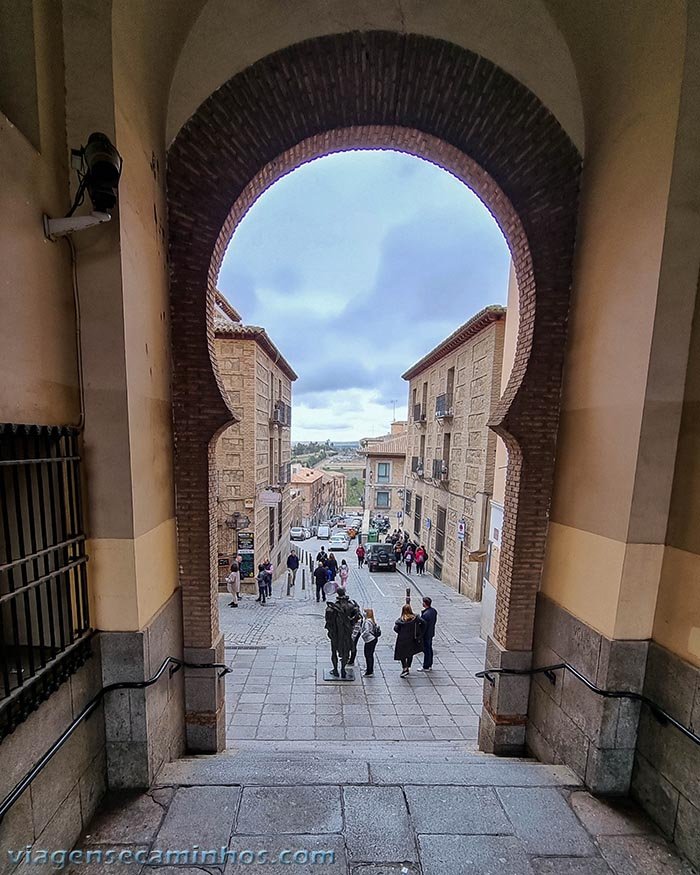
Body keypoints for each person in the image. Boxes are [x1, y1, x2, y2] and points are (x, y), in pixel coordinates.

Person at [324, 587, 362, 678]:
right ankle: (343, 670)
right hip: (347, 632)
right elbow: (357, 618)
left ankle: (336, 670)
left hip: (336, 633)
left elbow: (328, 622)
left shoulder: (332, 608)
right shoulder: (351, 606)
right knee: (346, 651)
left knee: (334, 651)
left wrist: (330, 630)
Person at [393, 603, 424, 677]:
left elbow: (396, 629)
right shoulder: (415, 618)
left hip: (402, 639)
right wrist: (419, 632)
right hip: (411, 639)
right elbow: (424, 623)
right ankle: (408, 666)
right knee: (410, 653)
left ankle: (405, 668)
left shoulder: (401, 620)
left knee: (402, 654)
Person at [418, 596, 438, 671]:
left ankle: (426, 666)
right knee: (429, 649)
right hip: (431, 633)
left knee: (426, 650)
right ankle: (430, 664)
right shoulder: (433, 611)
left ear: (425, 603)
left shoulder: (426, 615)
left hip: (426, 634)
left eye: (423, 602)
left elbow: (423, 626)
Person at [360, 607, 380, 676]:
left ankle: (369, 671)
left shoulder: (367, 621)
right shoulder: (372, 620)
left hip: (369, 640)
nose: (363, 613)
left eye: (365, 612)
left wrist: (362, 635)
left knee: (368, 655)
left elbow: (367, 631)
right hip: (373, 639)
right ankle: (370, 669)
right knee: (370, 655)